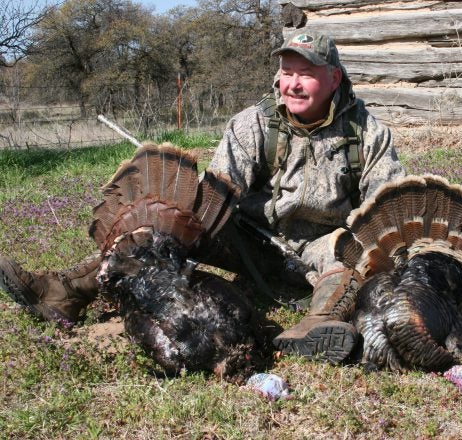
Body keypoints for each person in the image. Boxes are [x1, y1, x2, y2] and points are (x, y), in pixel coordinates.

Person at [0, 31, 405, 364]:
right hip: (253, 240)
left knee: (347, 260)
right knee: (172, 221)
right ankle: (65, 292)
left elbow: (383, 210)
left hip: (325, 246)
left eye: (307, 73)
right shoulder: (253, 124)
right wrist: (184, 219)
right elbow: (218, 193)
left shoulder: (367, 133)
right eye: (286, 72)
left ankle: (317, 327)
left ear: (334, 78)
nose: (293, 84)